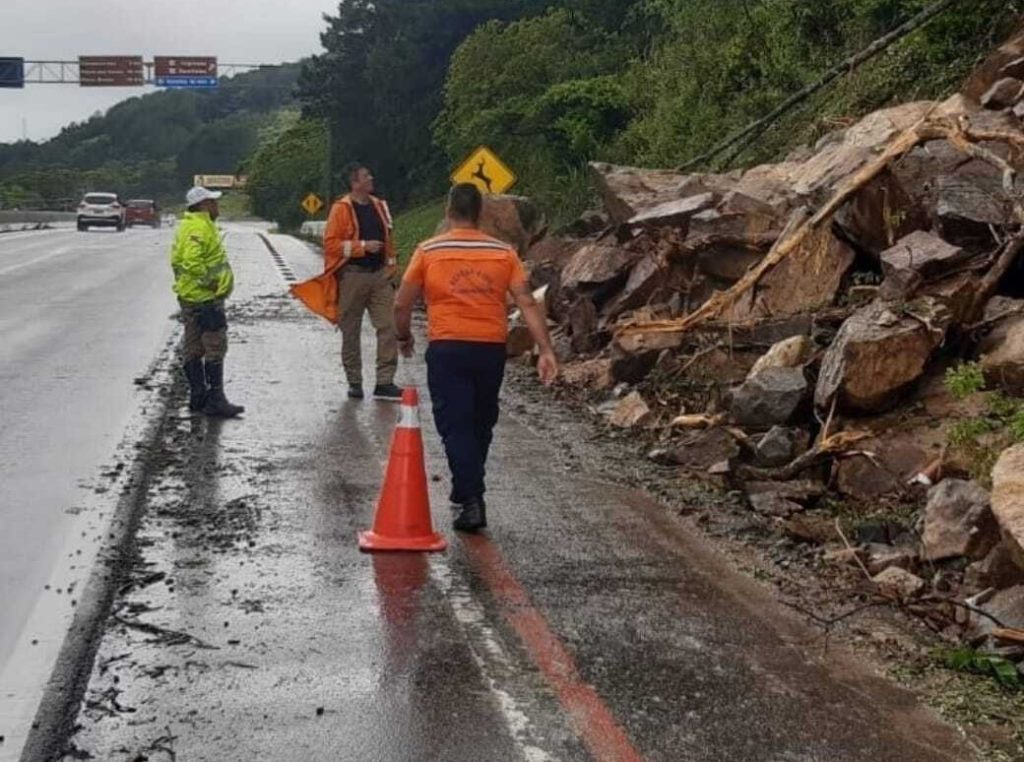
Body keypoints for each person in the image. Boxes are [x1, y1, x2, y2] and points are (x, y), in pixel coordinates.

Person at [394, 183, 558, 532]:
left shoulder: (428, 251)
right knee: (481, 422)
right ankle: (467, 487)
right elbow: (527, 302)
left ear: (447, 210)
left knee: (455, 424)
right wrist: (545, 349)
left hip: (447, 347)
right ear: (481, 213)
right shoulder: (503, 253)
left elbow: (402, 302)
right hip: (489, 349)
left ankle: (471, 497)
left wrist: (403, 335)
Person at [323, 162, 402, 401]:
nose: (371, 179)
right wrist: (362, 247)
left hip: (379, 275)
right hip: (352, 275)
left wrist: (391, 268)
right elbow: (331, 244)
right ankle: (355, 381)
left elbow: (389, 238)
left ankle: (385, 381)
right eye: (366, 176)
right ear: (355, 183)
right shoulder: (341, 208)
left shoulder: (379, 206)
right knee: (351, 330)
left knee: (388, 326)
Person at [170, 186, 244, 418]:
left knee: (193, 346)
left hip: (190, 297)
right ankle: (215, 399)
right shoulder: (199, 227)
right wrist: (210, 283)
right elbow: (192, 261)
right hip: (204, 299)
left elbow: (178, 260)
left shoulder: (187, 226)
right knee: (215, 345)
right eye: (213, 202)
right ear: (203, 205)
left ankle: (197, 397)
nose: (217, 206)